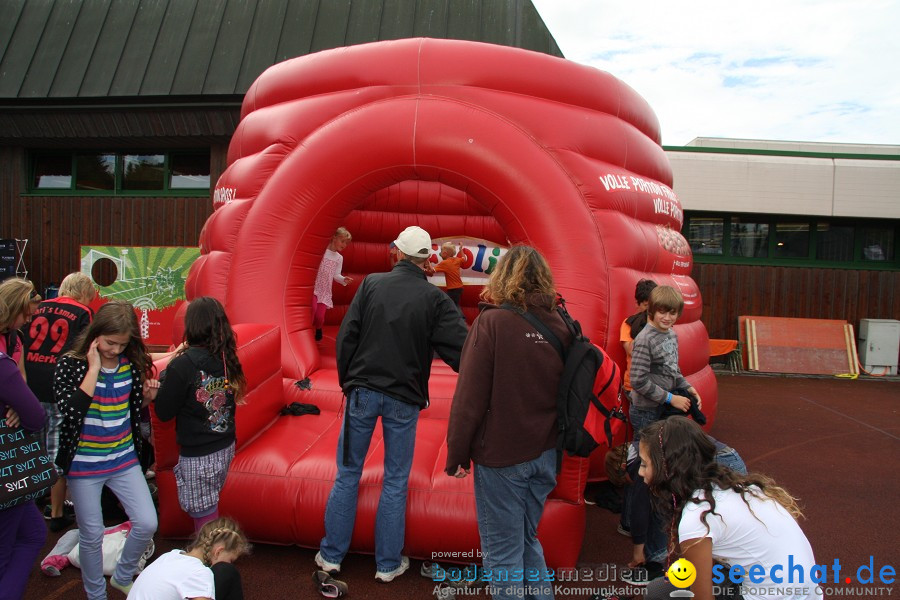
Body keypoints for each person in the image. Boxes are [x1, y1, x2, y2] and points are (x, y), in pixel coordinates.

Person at [317, 225, 467, 583]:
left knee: (348, 473)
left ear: (397, 253)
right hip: (404, 398)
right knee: (396, 480)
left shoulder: (371, 284)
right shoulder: (434, 299)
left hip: (363, 391)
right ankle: (386, 564)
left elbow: (347, 337)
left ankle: (331, 556)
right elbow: (463, 350)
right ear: (425, 259)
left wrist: (348, 382)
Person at [445, 245, 569, 600]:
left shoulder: (493, 322)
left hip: (502, 457)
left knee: (502, 556)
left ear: (502, 277)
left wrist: (457, 453)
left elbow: (469, 397)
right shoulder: (561, 323)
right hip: (546, 453)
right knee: (527, 540)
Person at [639, 417, 821, 600]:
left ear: (667, 469)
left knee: (658, 593)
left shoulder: (696, 516)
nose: (640, 472)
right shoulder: (740, 487)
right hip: (808, 594)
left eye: (645, 464)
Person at [53, 300, 159, 599]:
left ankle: (122, 575)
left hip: (123, 458)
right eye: (110, 342)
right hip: (84, 466)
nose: (115, 350)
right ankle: (95, 594)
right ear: (95, 333)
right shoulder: (71, 364)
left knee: (148, 521)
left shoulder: (130, 363)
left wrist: (148, 399)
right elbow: (71, 412)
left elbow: (129, 409)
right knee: (91, 535)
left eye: (122, 345)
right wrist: (95, 369)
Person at [154, 296, 246, 532]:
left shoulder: (183, 365)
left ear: (191, 325)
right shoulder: (226, 357)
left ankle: (209, 561)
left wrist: (161, 383)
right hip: (224, 444)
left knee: (204, 517)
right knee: (208, 504)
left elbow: (164, 412)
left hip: (198, 453)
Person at [23, 272, 97, 533]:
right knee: (57, 449)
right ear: (85, 292)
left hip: (29, 383)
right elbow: (86, 350)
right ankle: (56, 511)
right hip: (59, 385)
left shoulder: (37, 307)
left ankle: (27, 503)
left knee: (31, 446)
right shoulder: (82, 312)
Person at [0, 278, 47, 600]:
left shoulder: (12, 342)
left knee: (33, 532)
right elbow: (35, 416)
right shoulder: (2, 363)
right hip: (7, 470)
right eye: (26, 313)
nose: (29, 320)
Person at [629, 284, 701, 436]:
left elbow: (672, 368)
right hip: (646, 411)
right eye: (662, 312)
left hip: (663, 406)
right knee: (646, 453)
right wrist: (670, 398)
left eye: (672, 313)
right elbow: (638, 380)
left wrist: (687, 387)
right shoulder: (644, 339)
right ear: (652, 311)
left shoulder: (671, 335)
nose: (667, 318)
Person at [128, 516, 251, 600]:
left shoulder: (171, 555)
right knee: (228, 572)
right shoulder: (200, 574)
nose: (230, 563)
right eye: (230, 560)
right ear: (219, 551)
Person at [616, 279, 656, 527]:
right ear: (640, 303)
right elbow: (629, 348)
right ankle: (631, 519)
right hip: (635, 388)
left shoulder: (653, 325)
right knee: (642, 452)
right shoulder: (630, 323)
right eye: (647, 304)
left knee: (646, 449)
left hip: (651, 389)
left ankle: (637, 516)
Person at [313, 227, 354, 341]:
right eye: (342, 241)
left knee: (320, 317)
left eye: (346, 243)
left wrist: (343, 279)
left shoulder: (339, 258)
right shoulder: (321, 252)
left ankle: (319, 328)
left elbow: (336, 275)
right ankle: (305, 332)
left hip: (324, 290)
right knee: (312, 310)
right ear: (334, 238)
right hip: (314, 288)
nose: (344, 245)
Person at [0, 277, 42, 376]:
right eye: (27, 315)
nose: (28, 320)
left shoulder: (16, 337)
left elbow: (21, 375)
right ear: (13, 309)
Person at [433, 241, 465, 307]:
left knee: (451, 306)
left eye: (441, 252)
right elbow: (464, 259)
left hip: (453, 289)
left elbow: (432, 270)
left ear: (445, 253)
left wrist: (426, 263)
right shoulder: (457, 260)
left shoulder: (445, 263)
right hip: (459, 287)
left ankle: (459, 317)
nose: (440, 254)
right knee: (454, 305)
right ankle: (458, 316)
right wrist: (461, 249)